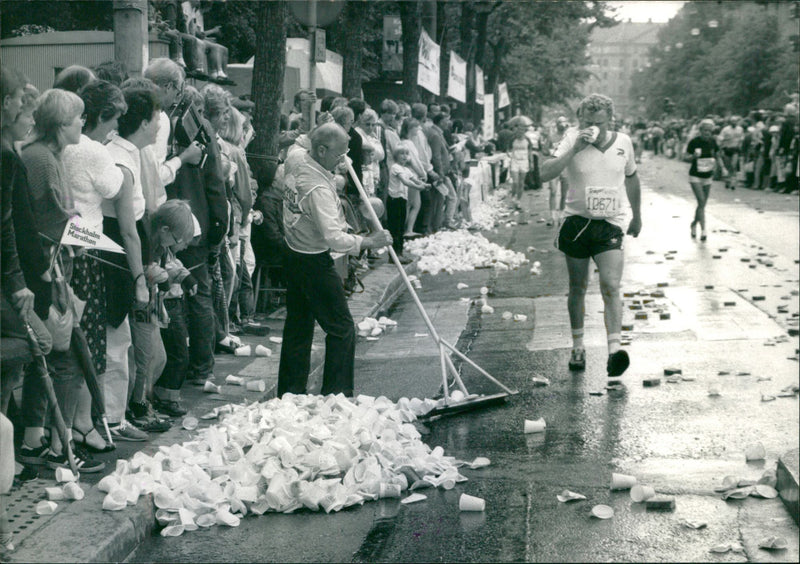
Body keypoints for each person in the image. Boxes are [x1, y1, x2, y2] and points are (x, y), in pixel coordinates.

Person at [278, 123, 392, 398]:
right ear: (321, 150)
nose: (344, 161)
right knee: (341, 328)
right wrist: (368, 242)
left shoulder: (295, 157)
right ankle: (336, 395)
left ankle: (289, 394)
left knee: (299, 325)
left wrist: (331, 136)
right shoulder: (317, 189)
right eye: (339, 154)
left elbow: (303, 140)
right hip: (313, 259)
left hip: (293, 249)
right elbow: (335, 238)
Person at [540, 93, 642, 380]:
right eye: (586, 120)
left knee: (610, 284)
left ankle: (614, 352)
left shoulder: (623, 142)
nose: (592, 126)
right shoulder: (572, 138)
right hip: (577, 222)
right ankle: (578, 345)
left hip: (609, 223)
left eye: (598, 122)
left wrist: (637, 214)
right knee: (578, 286)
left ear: (609, 119)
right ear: (579, 119)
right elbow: (545, 173)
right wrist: (574, 149)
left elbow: (632, 177)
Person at [150, 200, 197, 415]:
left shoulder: (166, 249)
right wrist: (175, 278)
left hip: (172, 303)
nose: (185, 245)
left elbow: (174, 265)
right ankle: (165, 397)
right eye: (182, 240)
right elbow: (164, 272)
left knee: (174, 352)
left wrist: (187, 278)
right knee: (176, 353)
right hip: (166, 304)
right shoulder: (158, 249)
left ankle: (164, 395)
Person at [685, 119, 724, 241]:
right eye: (705, 130)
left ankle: (693, 224)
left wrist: (723, 168)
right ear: (700, 130)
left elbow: (717, 156)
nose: (707, 133)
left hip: (708, 175)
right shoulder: (694, 142)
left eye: (709, 131)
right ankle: (703, 230)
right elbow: (685, 157)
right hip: (695, 175)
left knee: (702, 205)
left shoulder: (713, 142)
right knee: (701, 200)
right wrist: (693, 156)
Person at [386, 145, 426, 263]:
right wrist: (419, 187)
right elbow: (406, 181)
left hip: (402, 199)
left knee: (400, 227)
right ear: (396, 156)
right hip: (394, 200)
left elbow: (414, 179)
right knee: (395, 228)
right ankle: (394, 255)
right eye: (401, 154)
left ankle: (399, 253)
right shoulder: (395, 167)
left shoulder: (407, 169)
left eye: (406, 154)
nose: (404, 156)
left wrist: (424, 184)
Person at [546, 116, 570, 226]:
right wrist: (551, 152)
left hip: (565, 167)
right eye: (560, 122)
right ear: (557, 124)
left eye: (564, 122)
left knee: (564, 193)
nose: (562, 125)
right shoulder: (551, 136)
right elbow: (544, 149)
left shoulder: (568, 137)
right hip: (554, 166)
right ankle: (552, 216)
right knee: (553, 191)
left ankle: (561, 215)